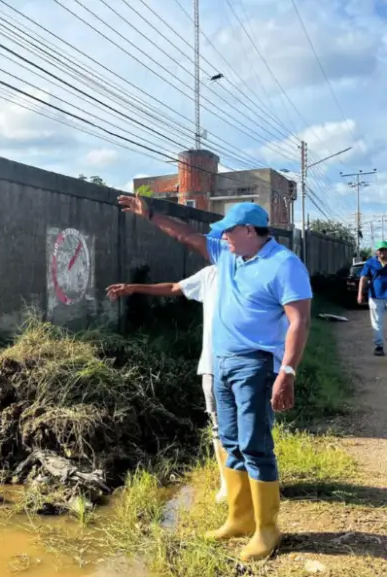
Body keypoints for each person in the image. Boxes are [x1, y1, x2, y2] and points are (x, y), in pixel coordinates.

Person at [116, 196, 312, 562]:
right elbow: (187, 236)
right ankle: (239, 518)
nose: (221, 239)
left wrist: (287, 371)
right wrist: (152, 215)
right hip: (221, 363)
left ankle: (267, 529)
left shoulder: (284, 265)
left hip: (256, 365)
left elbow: (299, 321)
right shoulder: (229, 256)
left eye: (227, 232)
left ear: (249, 230)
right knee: (232, 442)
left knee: (256, 445)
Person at [106, 261, 228, 504]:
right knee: (218, 428)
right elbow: (174, 287)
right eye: (222, 238)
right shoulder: (211, 273)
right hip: (212, 367)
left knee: (251, 425)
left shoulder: (258, 272)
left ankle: (261, 482)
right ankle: (229, 484)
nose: (225, 243)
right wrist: (132, 288)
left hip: (248, 367)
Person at [358, 241, 387, 356]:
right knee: (377, 322)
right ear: (376, 251)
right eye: (380, 250)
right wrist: (360, 294)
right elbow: (363, 278)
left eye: (385, 250)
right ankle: (379, 346)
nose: (383, 252)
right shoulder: (371, 263)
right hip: (376, 296)